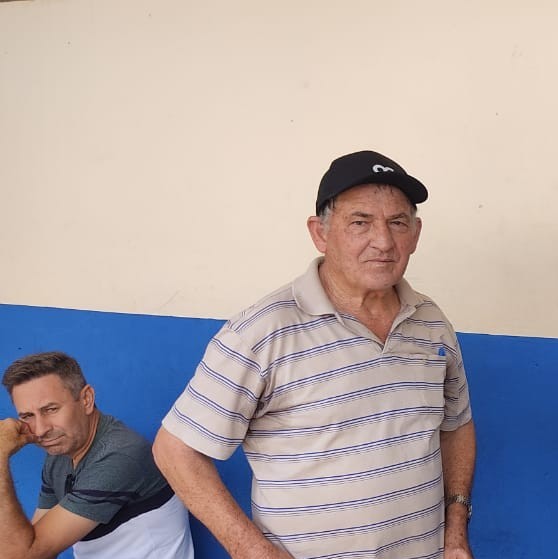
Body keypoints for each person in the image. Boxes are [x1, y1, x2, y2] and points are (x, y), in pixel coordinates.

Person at [152, 150, 476, 559]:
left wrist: (456, 527)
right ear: (320, 233)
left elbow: (457, 425)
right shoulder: (262, 332)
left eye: (397, 223)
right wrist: (252, 550)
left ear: (415, 233)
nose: (383, 240)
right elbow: (175, 450)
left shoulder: (431, 322)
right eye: (360, 223)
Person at [0, 351, 194, 559]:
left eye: (50, 409)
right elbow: (28, 545)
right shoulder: (59, 453)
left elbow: (21, 555)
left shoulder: (120, 457)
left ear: (86, 399)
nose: (40, 430)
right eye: (27, 416)